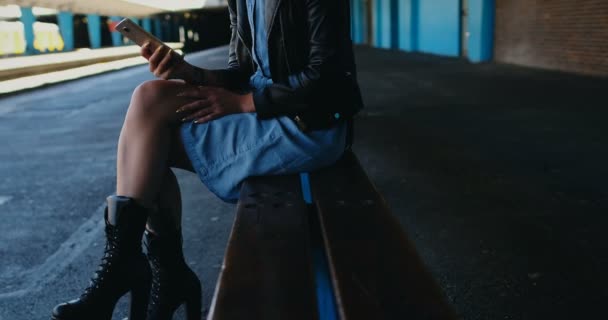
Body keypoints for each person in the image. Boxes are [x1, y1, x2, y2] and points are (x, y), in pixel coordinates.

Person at [51, 0, 363, 319]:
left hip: (307, 122)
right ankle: (149, 268)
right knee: (149, 100)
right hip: (260, 108)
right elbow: (244, 72)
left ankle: (152, 273)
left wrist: (244, 103)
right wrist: (190, 72)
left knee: (148, 144)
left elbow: (330, 78)